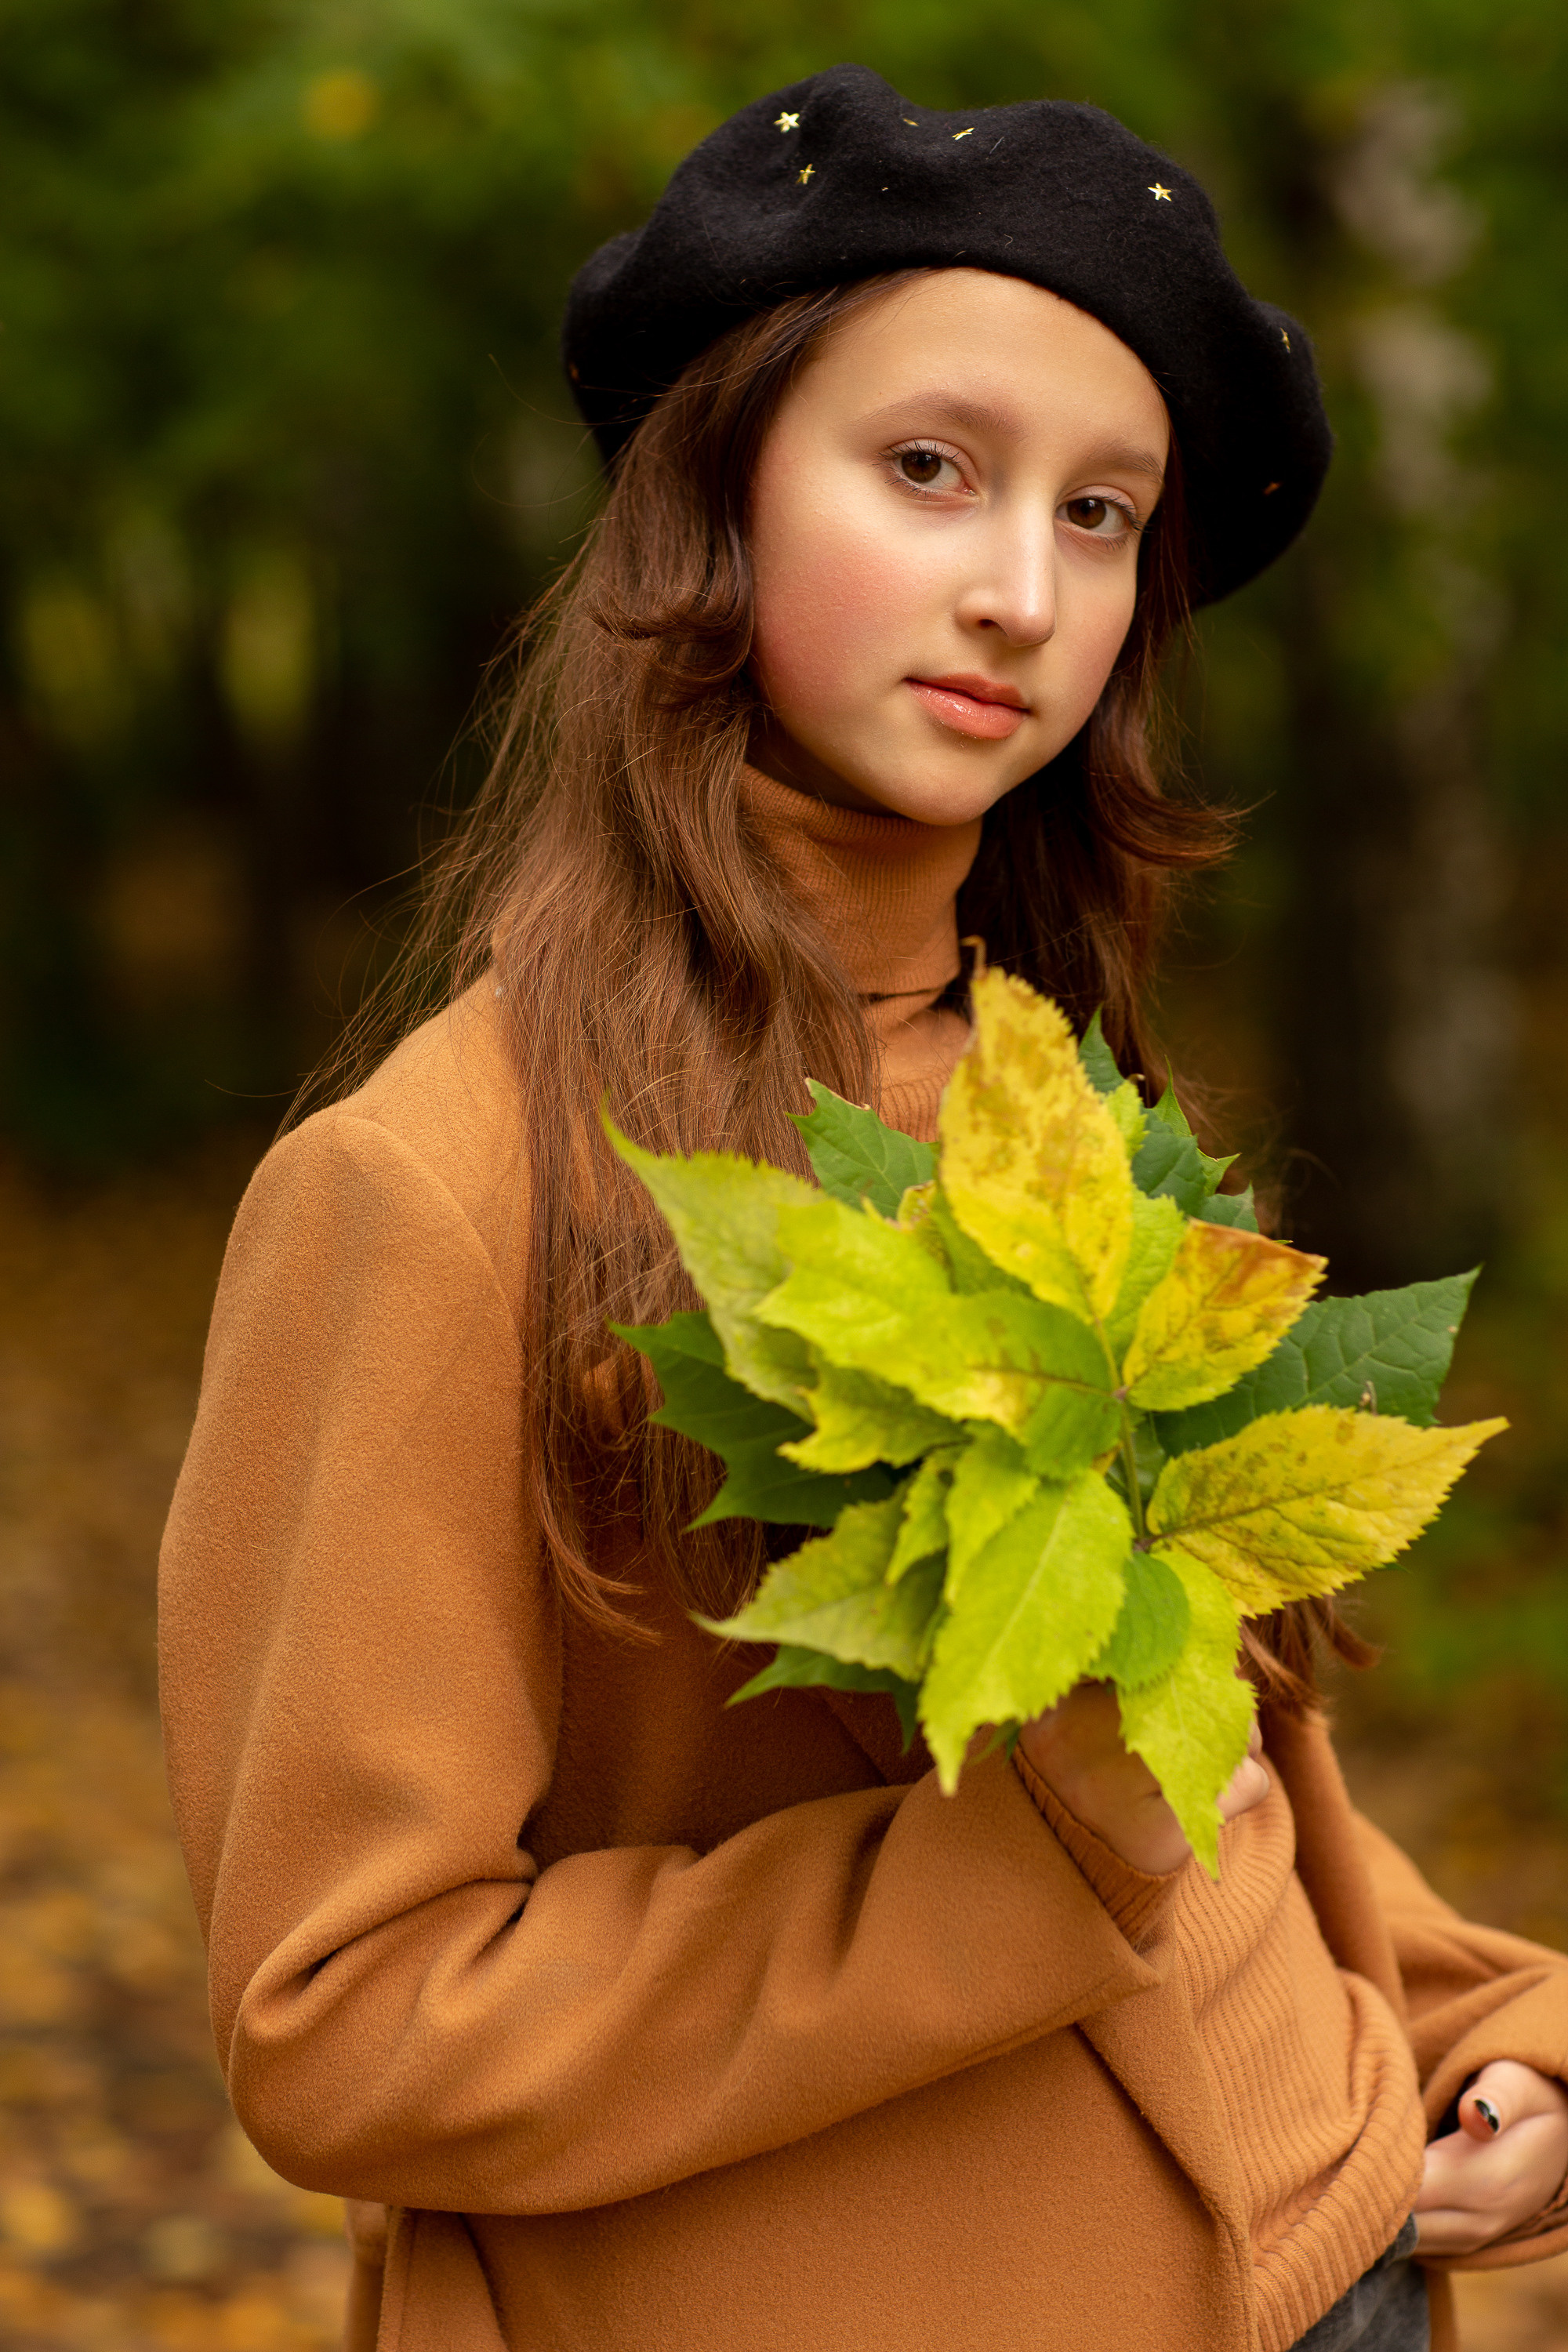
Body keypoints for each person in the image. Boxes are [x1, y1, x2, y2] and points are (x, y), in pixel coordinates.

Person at [158, 64, 1568, 2352]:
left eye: (1101, 516)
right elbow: (346, 2024)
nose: (1021, 592)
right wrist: (1000, 1878)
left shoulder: (1060, 1088)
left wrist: (1464, 2013)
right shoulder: (429, 1192)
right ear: (709, 496)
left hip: (1347, 2256)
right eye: (930, 468)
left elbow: (1187, 1754)